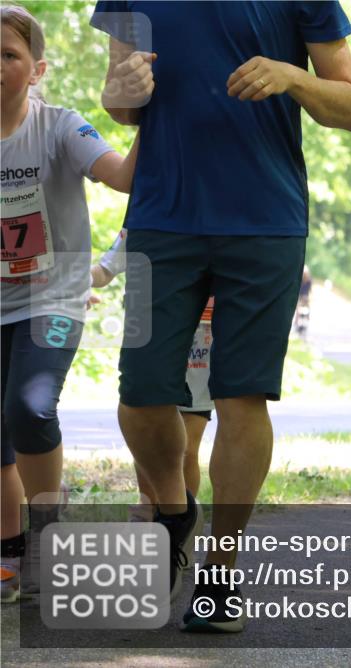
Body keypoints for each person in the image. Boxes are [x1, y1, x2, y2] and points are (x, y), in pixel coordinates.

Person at [90, 0, 351, 632]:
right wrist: (119, 92)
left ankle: (220, 571)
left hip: (265, 223)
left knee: (243, 398)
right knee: (140, 393)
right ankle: (173, 509)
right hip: (161, 218)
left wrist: (293, 76)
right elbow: (122, 99)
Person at [1, 4, 139, 603]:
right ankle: (10, 555)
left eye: (8, 54)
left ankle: (46, 541)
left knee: (30, 409)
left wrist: (149, 119)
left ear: (37, 69)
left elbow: (120, 175)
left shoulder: (60, 127)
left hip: (53, 299)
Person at [90, 228, 210, 559]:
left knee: (187, 450)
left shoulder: (219, 215)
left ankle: (178, 533)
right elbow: (103, 271)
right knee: (150, 441)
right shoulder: (144, 218)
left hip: (205, 351)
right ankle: (150, 517)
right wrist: (71, 280)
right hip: (155, 342)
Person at [295, 264, 312, 338]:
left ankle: (306, 318)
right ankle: (297, 321)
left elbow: (309, 290)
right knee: (298, 309)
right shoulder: (301, 279)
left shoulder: (308, 281)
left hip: (304, 296)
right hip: (300, 296)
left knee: (307, 307)